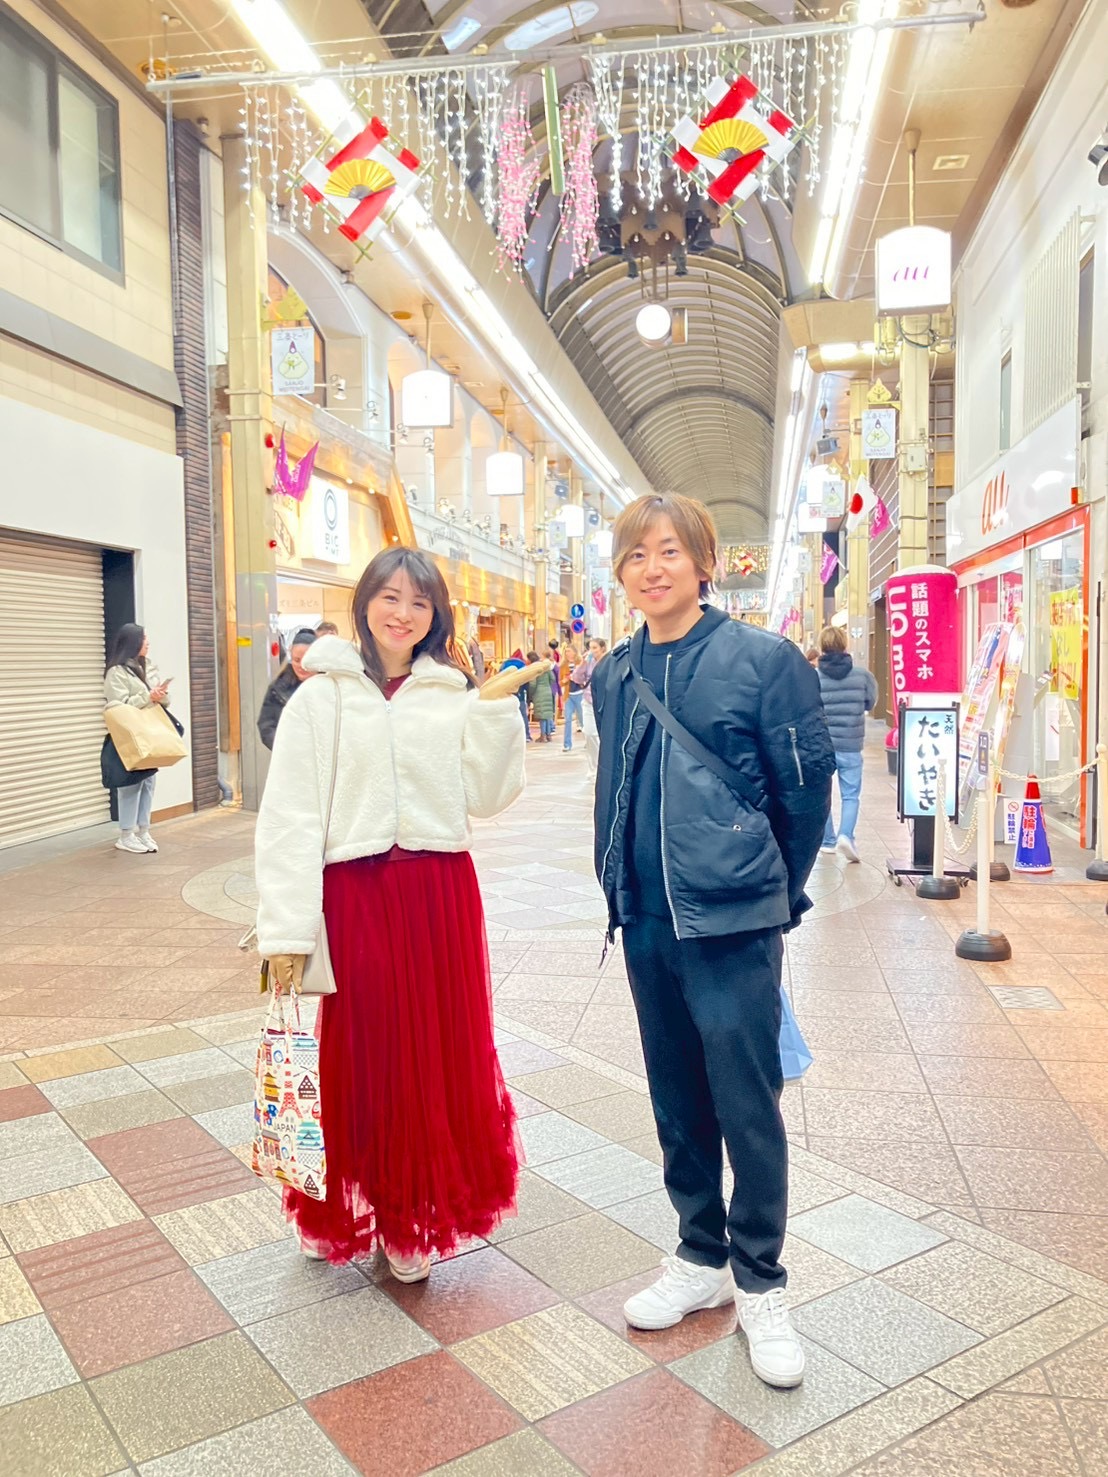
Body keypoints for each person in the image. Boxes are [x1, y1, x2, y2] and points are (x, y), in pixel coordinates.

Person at [592, 493, 833, 1390]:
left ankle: (761, 1279)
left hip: (732, 922)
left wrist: (773, 892)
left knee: (746, 1101)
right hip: (647, 919)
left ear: (704, 563)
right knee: (676, 1096)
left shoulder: (763, 662)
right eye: (636, 554)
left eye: (669, 550)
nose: (652, 568)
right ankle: (700, 1254)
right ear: (621, 573)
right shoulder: (613, 673)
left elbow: (805, 794)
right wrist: (620, 891)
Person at [254, 548, 547, 1278]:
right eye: (389, 596)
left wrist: (493, 711)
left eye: (420, 602)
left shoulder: (452, 695)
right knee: (361, 1054)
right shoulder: (320, 699)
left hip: (436, 893)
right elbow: (289, 816)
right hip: (354, 895)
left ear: (436, 615)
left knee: (433, 1057)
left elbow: (489, 796)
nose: (403, 614)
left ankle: (409, 1213)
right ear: (364, 603)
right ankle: (337, 1203)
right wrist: (286, 927)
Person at [104, 623, 170, 854]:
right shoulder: (117, 672)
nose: (147, 643)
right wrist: (147, 696)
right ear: (133, 642)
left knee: (148, 782)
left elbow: (163, 701)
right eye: (144, 638)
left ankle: (143, 831)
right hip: (130, 734)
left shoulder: (148, 666)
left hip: (149, 732)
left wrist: (161, 695)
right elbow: (118, 706)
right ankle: (126, 835)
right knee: (130, 784)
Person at [816, 624, 878, 863]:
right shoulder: (862, 676)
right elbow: (870, 702)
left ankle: (828, 841)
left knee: (823, 793)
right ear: (845, 644)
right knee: (851, 794)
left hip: (822, 745)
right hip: (851, 743)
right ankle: (846, 835)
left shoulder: (814, 677)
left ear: (822, 647)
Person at [258, 630, 317, 750]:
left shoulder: (331, 686)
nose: (301, 666)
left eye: (306, 661)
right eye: (296, 660)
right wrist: (287, 749)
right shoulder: (278, 688)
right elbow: (266, 725)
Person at [582, 636, 608, 775]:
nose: (592, 651)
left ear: (602, 648)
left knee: (605, 735)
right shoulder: (588, 663)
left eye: (594, 648)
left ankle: (604, 765)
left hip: (606, 701)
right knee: (589, 733)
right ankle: (594, 767)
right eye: (590, 648)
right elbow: (576, 678)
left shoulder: (610, 661)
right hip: (588, 701)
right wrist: (583, 663)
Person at [526, 650, 556, 741]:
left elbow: (533, 684)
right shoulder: (544, 666)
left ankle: (543, 736)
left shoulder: (534, 668)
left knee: (542, 715)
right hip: (548, 691)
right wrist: (547, 685)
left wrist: (530, 694)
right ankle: (548, 735)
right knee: (547, 714)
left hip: (539, 692)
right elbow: (552, 678)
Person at [561, 643, 585, 750]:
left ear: (575, 652)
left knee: (582, 719)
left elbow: (585, 678)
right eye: (566, 651)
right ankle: (567, 744)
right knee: (567, 719)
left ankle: (588, 740)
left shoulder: (581, 663)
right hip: (568, 695)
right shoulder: (563, 665)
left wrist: (576, 678)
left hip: (579, 694)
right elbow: (560, 682)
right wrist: (564, 680)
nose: (567, 653)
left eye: (569, 651)